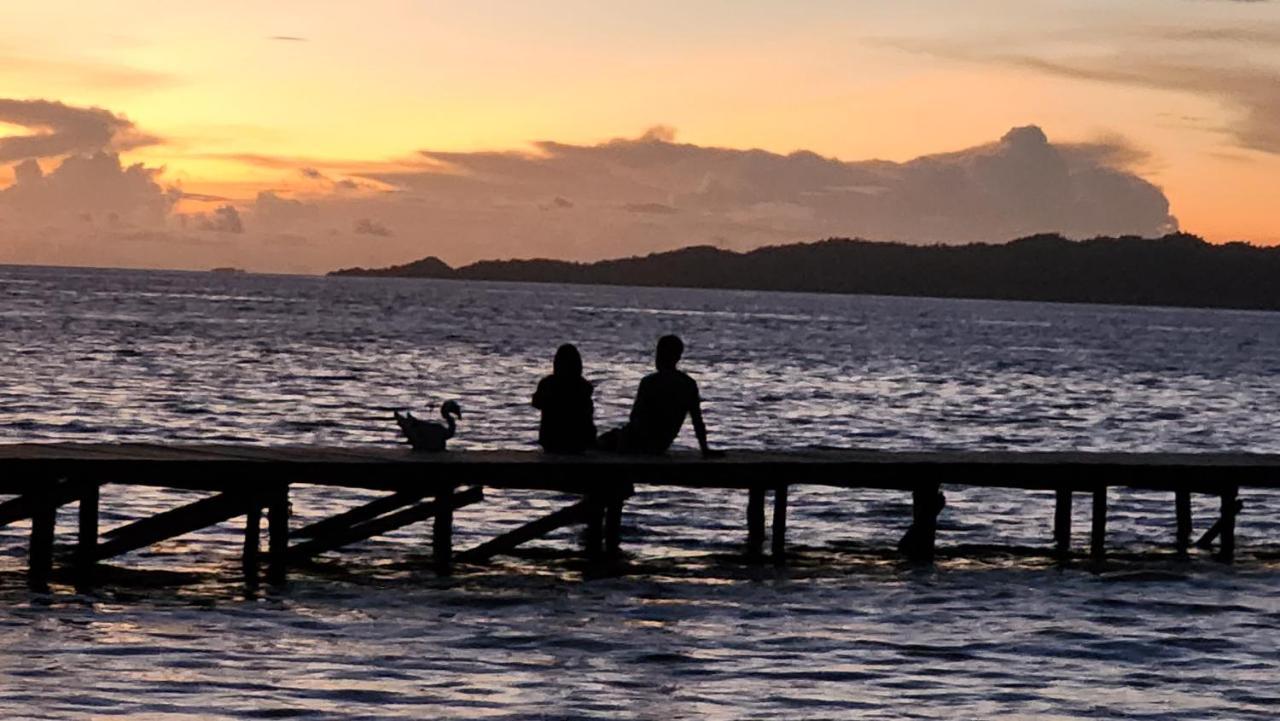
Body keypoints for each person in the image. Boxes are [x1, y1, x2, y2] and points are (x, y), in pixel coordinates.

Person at [600, 335, 723, 457]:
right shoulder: (688, 384)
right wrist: (705, 449)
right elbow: (697, 421)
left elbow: (635, 417)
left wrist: (623, 444)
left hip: (636, 442)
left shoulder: (649, 382)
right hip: (660, 444)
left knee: (600, 442)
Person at [532, 343, 597, 453]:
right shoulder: (584, 386)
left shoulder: (547, 384)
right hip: (579, 440)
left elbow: (536, 403)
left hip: (551, 440)